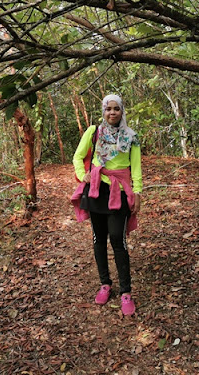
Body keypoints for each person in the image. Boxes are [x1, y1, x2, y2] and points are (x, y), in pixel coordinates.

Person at [71, 94, 142, 316]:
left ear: (122, 111)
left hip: (119, 191)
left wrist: (137, 192)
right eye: (108, 109)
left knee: (117, 240)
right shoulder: (94, 132)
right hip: (96, 190)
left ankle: (126, 292)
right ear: (103, 111)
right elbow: (77, 156)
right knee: (98, 239)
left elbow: (136, 167)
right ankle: (105, 284)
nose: (112, 113)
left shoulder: (131, 137)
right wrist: (83, 175)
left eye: (116, 109)